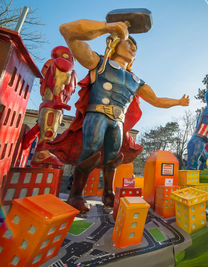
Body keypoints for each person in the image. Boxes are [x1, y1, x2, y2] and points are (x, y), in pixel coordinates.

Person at [50, 19, 189, 213]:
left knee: (112, 160)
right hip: (97, 115)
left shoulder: (135, 80)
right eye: (129, 43)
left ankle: (108, 194)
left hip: (118, 123)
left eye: (135, 47)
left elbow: (156, 100)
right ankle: (75, 195)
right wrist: (106, 27)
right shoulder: (99, 63)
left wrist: (178, 102)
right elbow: (67, 30)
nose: (133, 48)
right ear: (115, 43)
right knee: (89, 152)